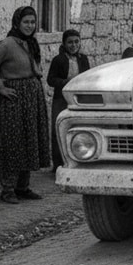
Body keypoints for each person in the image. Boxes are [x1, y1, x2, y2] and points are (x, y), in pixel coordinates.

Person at [0, 6, 50, 203]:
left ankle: (23, 187)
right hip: (15, 100)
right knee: (13, 141)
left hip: (32, 98)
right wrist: (0, 87)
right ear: (17, 23)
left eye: (32, 22)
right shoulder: (7, 44)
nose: (29, 26)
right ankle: (8, 189)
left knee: (29, 139)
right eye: (26, 22)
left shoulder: (31, 43)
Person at [46, 28, 91, 171]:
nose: (73, 45)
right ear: (64, 44)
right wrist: (66, 82)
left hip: (79, 99)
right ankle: (58, 164)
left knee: (79, 128)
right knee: (59, 129)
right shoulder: (58, 60)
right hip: (61, 99)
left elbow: (88, 76)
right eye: (70, 42)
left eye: (76, 42)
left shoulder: (83, 59)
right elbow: (51, 80)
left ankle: (80, 159)